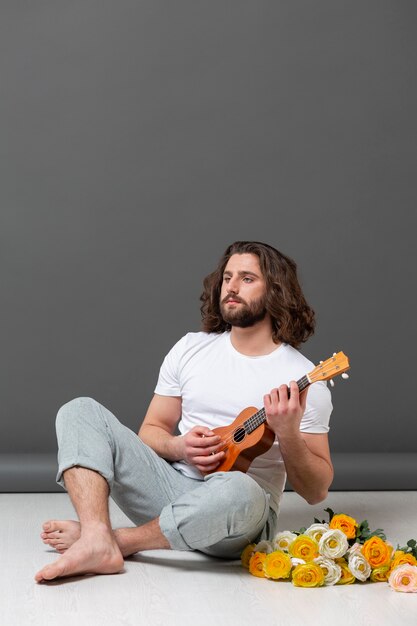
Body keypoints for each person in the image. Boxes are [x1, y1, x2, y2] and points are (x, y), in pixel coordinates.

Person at [35, 241, 333, 583]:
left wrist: (289, 432)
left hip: (238, 517)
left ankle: (110, 541)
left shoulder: (304, 379)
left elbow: (316, 491)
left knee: (241, 488)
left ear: (277, 291)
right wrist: (179, 447)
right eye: (228, 277)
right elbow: (150, 430)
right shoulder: (191, 348)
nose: (232, 287)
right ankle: (96, 533)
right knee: (79, 410)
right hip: (169, 488)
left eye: (247, 278)